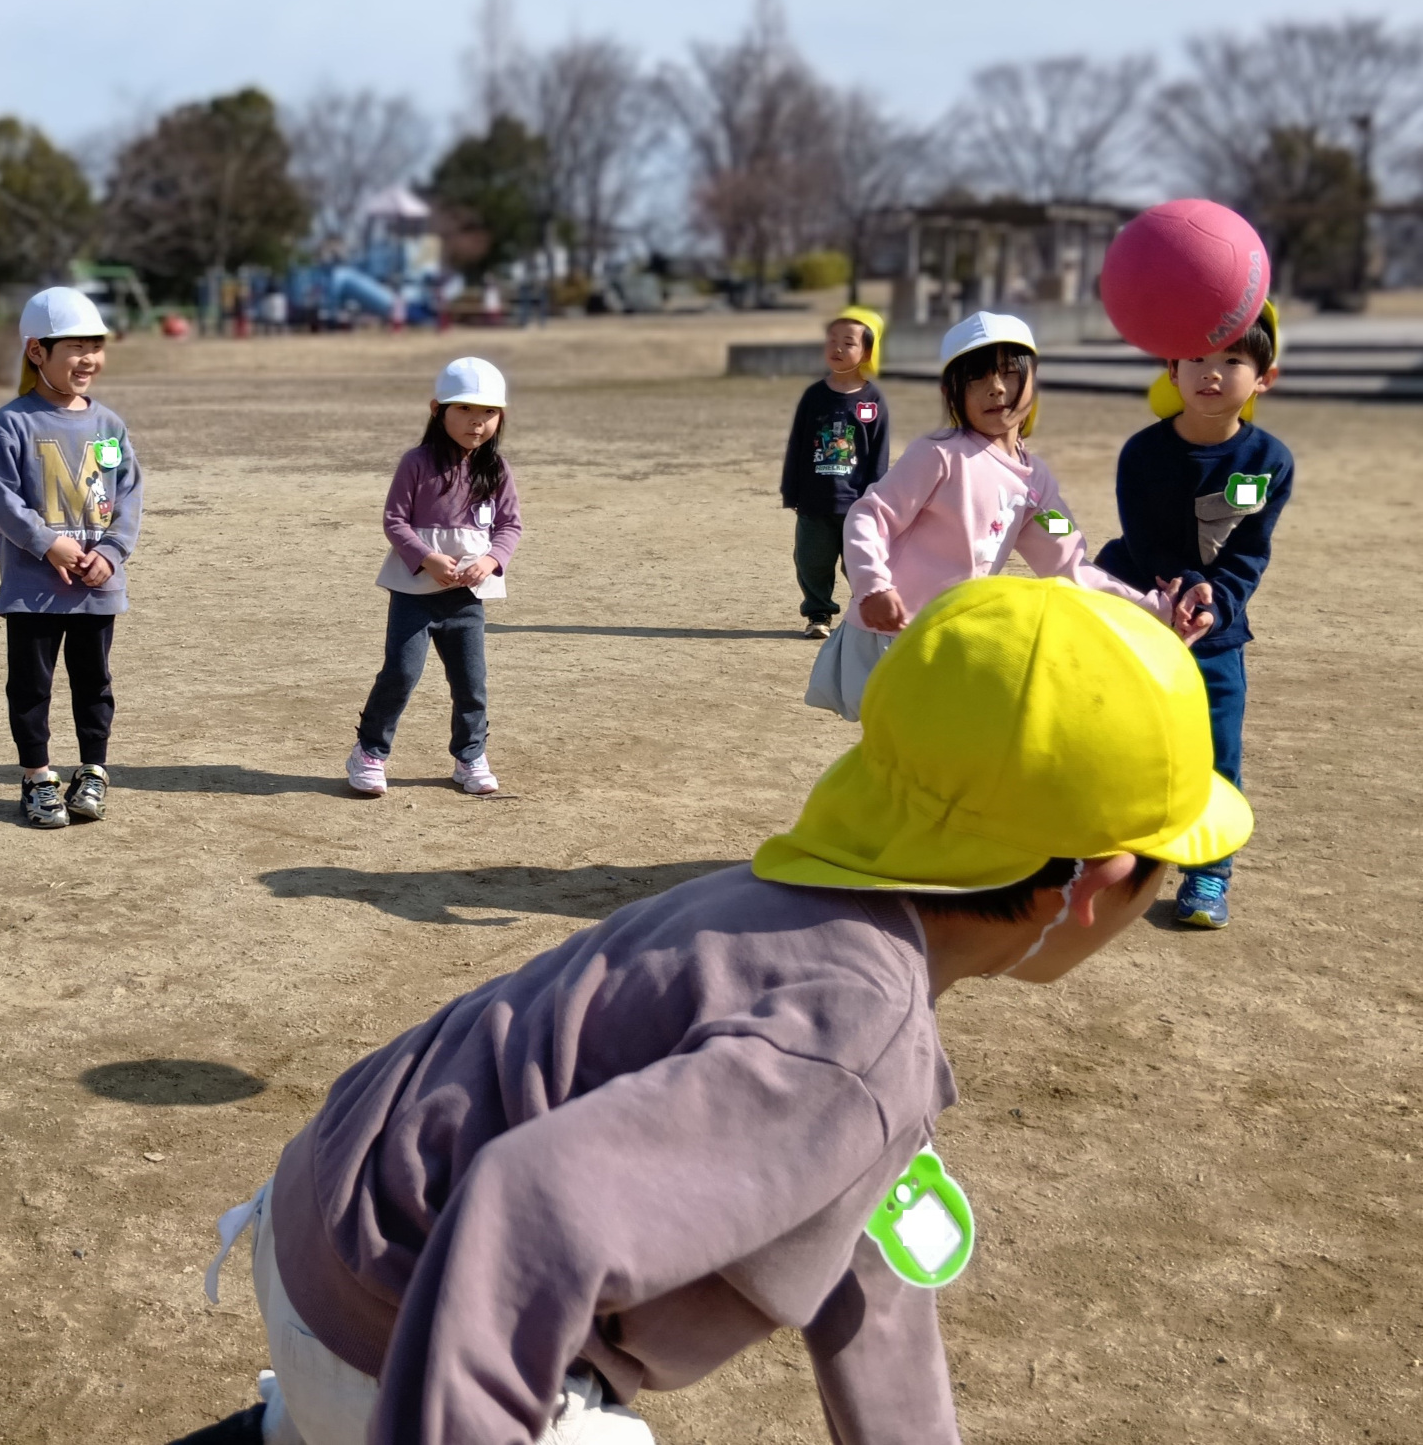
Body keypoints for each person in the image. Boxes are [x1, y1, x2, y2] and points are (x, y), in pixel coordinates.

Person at [177, 575, 1251, 1445]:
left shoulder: (793, 915)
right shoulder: (860, 1038)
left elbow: (869, 1274)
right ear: (1093, 880)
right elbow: (528, 1206)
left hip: (318, 1221)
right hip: (401, 1322)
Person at [806, 310, 1211, 721]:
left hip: (953, 640)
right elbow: (869, 515)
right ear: (951, 391)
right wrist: (872, 585)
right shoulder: (939, 454)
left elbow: (1071, 564)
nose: (996, 389)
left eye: (1009, 373)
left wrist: (1154, 608)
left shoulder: (1035, 484)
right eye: (976, 378)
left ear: (1033, 381)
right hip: (890, 632)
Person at [1095, 300, 1292, 929]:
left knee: (1217, 755)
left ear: (1263, 377)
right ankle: (1119, 860)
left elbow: (1249, 552)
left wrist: (1218, 601)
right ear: (1171, 371)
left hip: (1216, 635)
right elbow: (1143, 539)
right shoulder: (1143, 454)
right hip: (1140, 618)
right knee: (1130, 741)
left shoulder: (1270, 461)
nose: (1212, 373)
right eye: (1196, 360)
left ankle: (1208, 876)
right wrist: (1180, 588)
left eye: (1232, 360)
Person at [0, 287, 144, 829]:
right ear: (36, 352)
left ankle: (93, 771)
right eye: (74, 347)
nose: (88, 358)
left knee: (94, 683)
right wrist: (48, 542)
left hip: (96, 587)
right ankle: (37, 778)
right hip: (33, 587)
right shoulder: (14, 422)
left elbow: (127, 496)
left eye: (94, 346)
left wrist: (112, 554)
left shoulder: (109, 426)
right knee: (31, 686)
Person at [344, 357, 522, 798]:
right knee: (401, 673)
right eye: (463, 410)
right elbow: (395, 521)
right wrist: (427, 558)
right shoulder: (417, 462)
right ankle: (369, 752)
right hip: (414, 593)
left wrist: (491, 560)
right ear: (437, 409)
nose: (476, 423)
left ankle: (470, 756)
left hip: (466, 598)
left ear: (501, 418)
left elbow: (510, 527)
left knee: (470, 681)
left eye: (488, 413)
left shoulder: (496, 471)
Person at [779, 306, 890, 639]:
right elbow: (797, 445)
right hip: (814, 501)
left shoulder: (872, 400)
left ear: (868, 351)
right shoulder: (814, 396)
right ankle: (818, 614)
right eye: (832, 340)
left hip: (856, 502)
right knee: (812, 561)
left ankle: (864, 615)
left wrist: (877, 498)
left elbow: (878, 455)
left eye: (848, 342)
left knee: (859, 562)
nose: (838, 348)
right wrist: (792, 491)